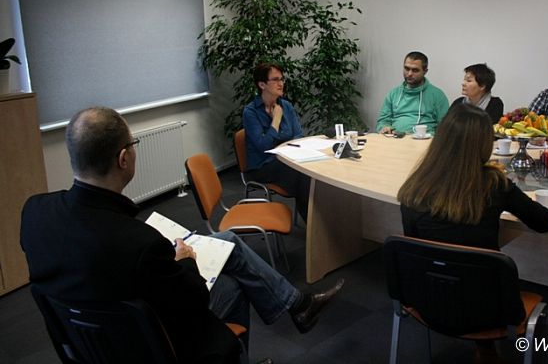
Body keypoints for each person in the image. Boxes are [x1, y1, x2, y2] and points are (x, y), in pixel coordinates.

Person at [21, 107, 344, 364]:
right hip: (153, 345)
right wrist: (184, 261)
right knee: (232, 286)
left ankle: (296, 304)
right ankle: (261, 334)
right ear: (123, 159)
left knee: (229, 244)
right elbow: (194, 300)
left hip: (88, 343)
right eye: (133, 145)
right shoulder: (140, 243)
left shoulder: (34, 213)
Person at [398, 102, 548, 249]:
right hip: (480, 269)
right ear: (484, 145)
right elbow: (545, 223)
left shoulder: (416, 186)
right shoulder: (494, 184)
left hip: (425, 269)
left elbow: (413, 245)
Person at [243, 63, 311, 221]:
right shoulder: (250, 112)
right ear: (262, 85)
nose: (281, 83)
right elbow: (263, 146)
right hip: (262, 166)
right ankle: (313, 225)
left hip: (287, 160)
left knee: (311, 171)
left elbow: (298, 135)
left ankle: (318, 223)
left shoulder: (286, 106)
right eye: (275, 80)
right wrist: (276, 120)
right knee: (304, 176)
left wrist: (291, 151)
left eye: (282, 79)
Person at [376, 51, 449, 135]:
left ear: (425, 71)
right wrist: (384, 127)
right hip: (395, 138)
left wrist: (429, 135)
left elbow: (445, 128)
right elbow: (382, 122)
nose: (409, 74)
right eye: (407, 69)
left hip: (424, 140)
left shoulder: (437, 95)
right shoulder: (393, 94)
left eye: (415, 70)